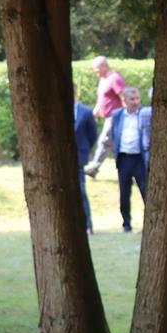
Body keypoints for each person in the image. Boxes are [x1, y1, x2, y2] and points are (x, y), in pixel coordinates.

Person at [94, 86, 151, 233]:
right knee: (124, 193)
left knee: (146, 191)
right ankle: (126, 224)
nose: (135, 102)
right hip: (124, 158)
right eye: (132, 99)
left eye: (137, 98)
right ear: (124, 100)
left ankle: (150, 223)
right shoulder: (117, 115)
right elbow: (111, 135)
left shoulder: (145, 114)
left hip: (139, 159)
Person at [82, 56, 126, 177]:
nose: (94, 71)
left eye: (96, 68)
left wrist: (127, 115)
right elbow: (102, 98)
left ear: (104, 66)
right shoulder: (103, 80)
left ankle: (93, 168)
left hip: (115, 117)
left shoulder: (115, 78)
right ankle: (127, 171)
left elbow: (123, 97)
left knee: (104, 141)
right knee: (116, 145)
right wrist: (96, 109)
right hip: (107, 117)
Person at [72, 85, 98, 235]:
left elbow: (92, 135)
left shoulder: (86, 111)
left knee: (81, 191)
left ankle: (88, 225)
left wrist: (84, 149)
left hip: (79, 157)